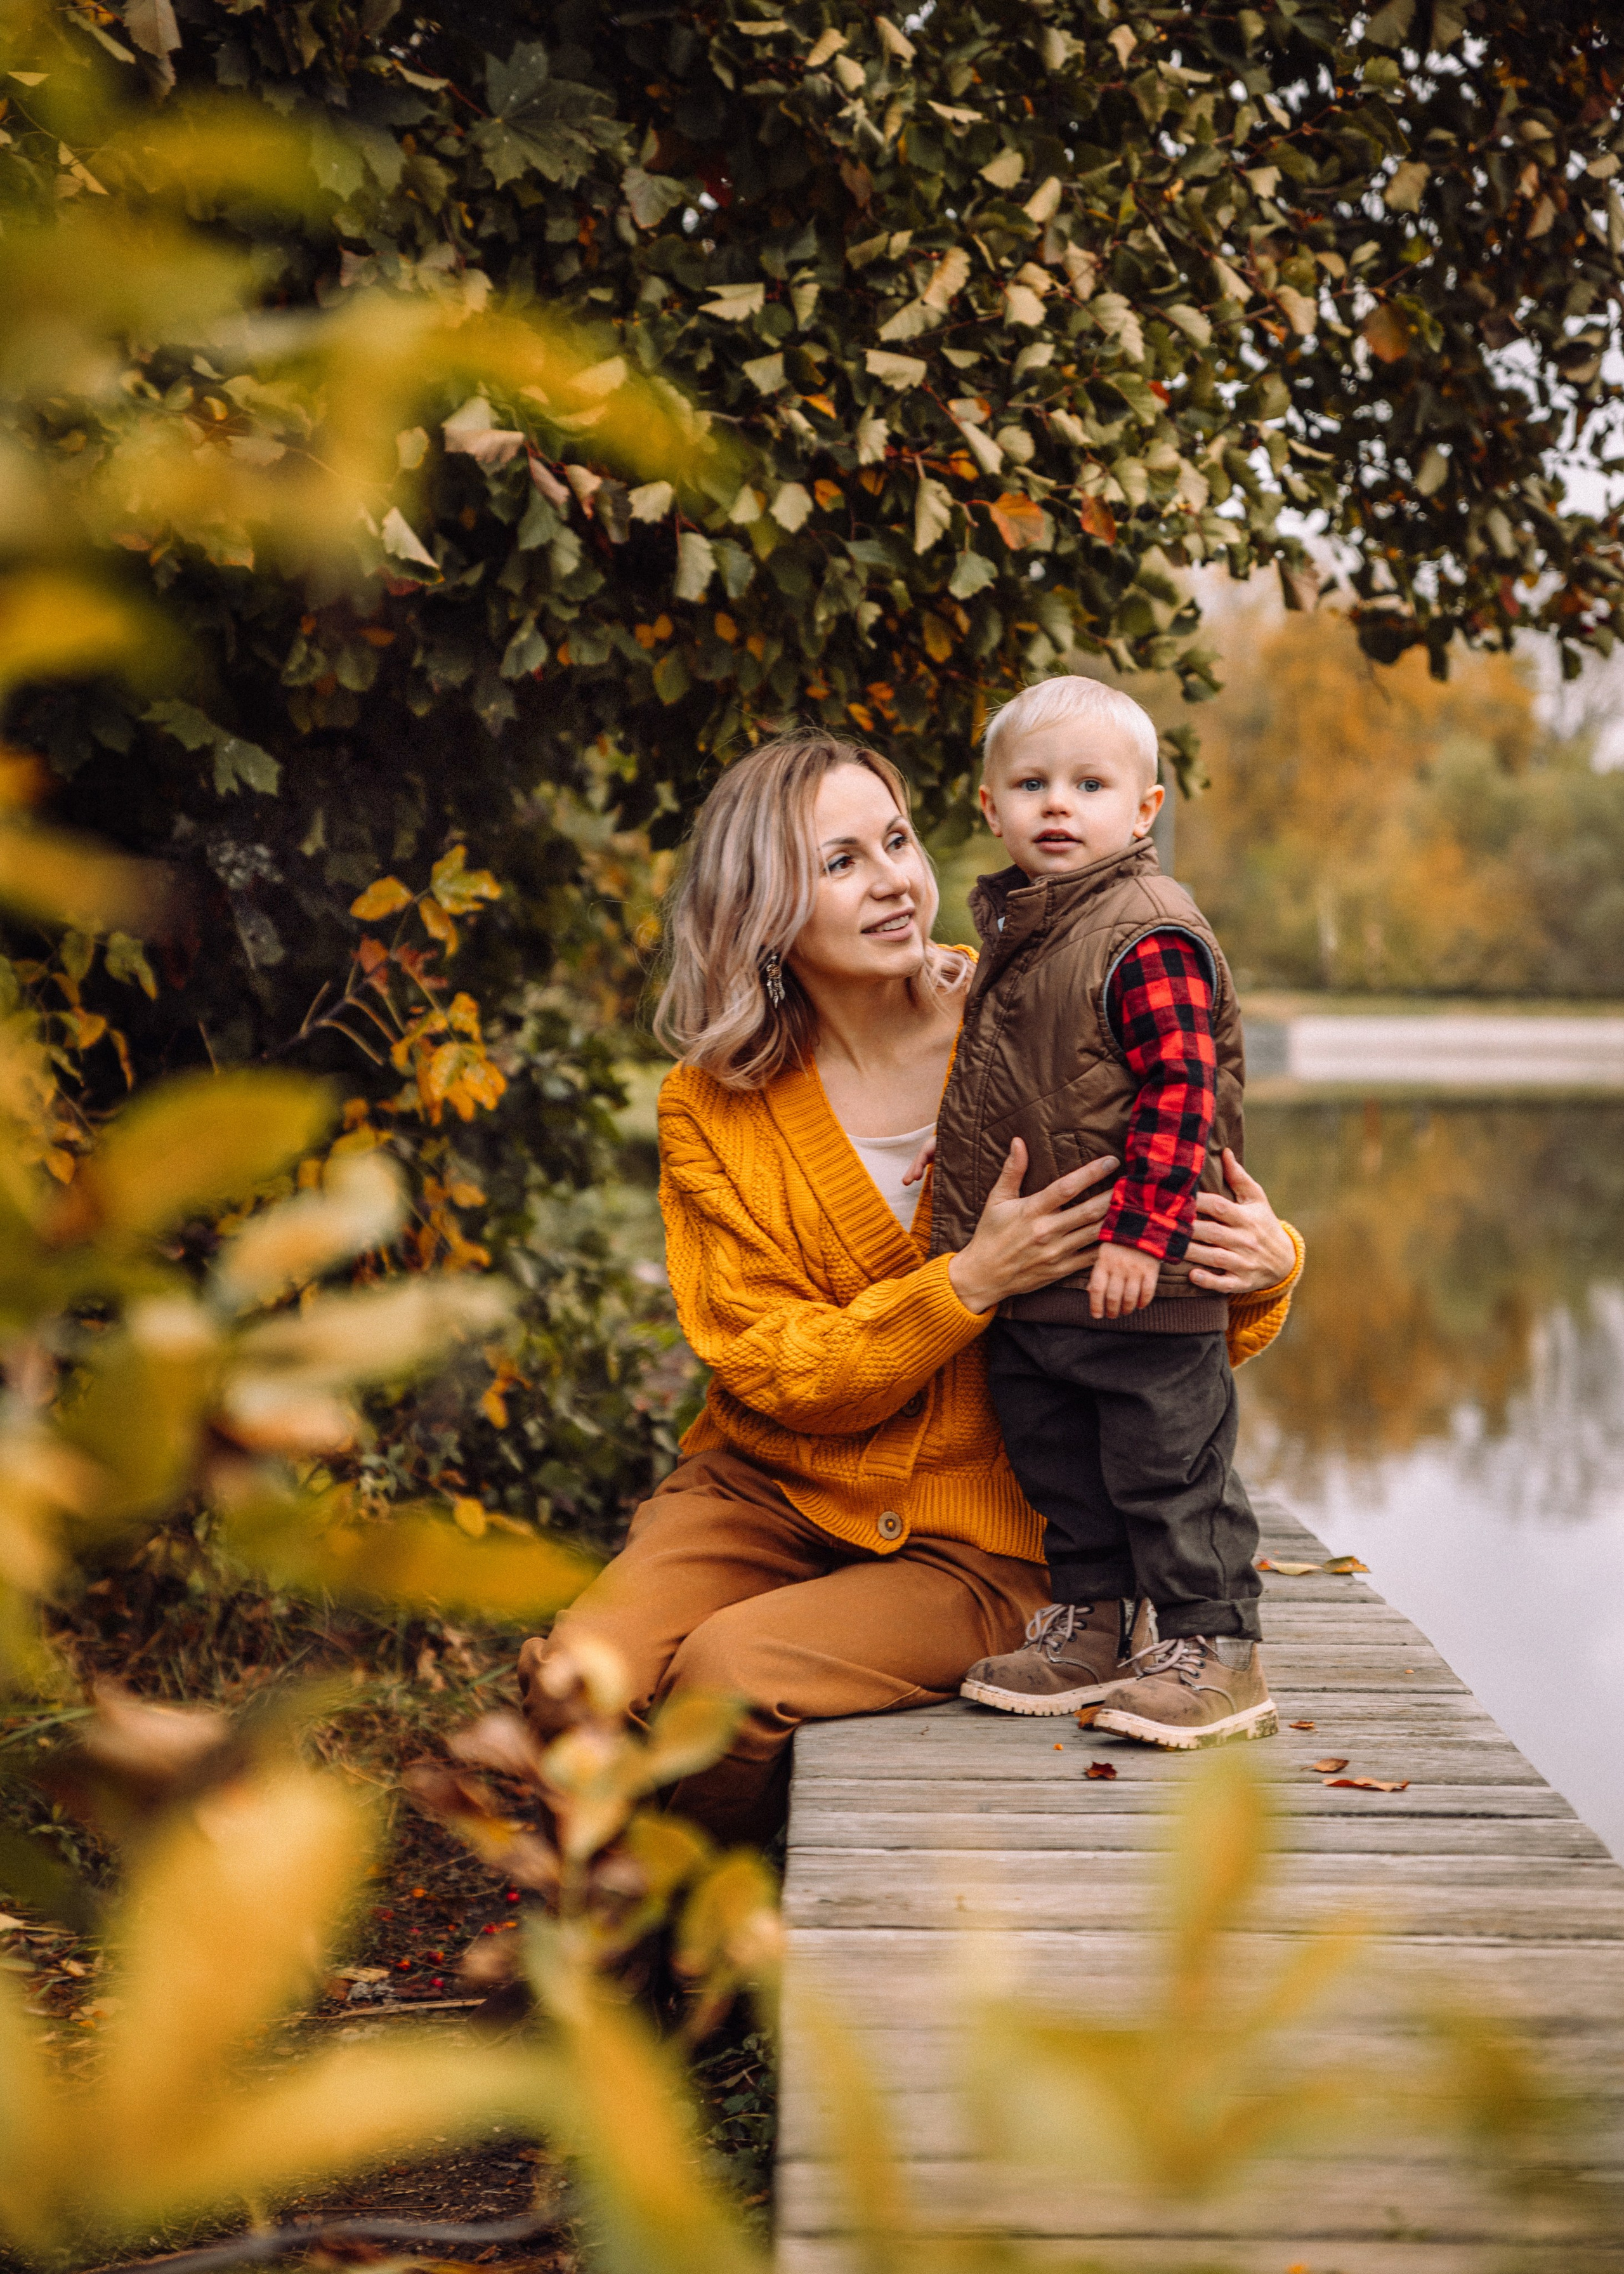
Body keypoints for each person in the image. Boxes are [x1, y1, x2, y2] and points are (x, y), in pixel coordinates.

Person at [516, 733, 1303, 1841]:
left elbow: (1158, 1298)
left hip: (986, 1536)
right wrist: (969, 1282)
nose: (894, 880)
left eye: (896, 840)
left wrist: (1270, 1268)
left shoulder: (1042, 1016)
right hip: (766, 1489)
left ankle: (697, 1983)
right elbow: (761, 1361)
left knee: (727, 1676)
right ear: (763, 908)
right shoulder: (711, 1104)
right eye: (840, 863)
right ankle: (593, 1959)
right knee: (576, 1686)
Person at [926, 676, 1274, 1747]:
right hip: (1043, 1289)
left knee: (1169, 1467)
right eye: (1032, 785)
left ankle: (1217, 1650)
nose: (1058, 805)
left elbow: (1183, 1089)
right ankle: (1091, 1627)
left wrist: (1144, 1232)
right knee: (1062, 1465)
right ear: (991, 809)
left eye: (1089, 784)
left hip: (1144, 1278)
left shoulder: (1145, 931)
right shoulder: (1024, 935)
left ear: (1145, 810)